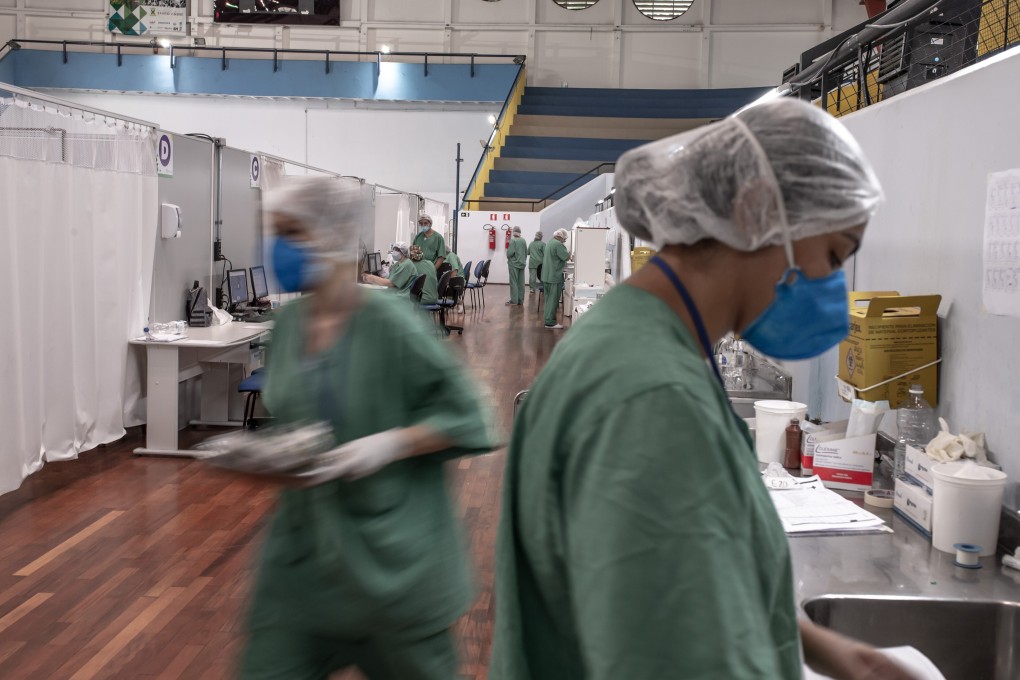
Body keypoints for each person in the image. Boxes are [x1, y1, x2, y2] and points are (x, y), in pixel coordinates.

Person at [491, 98, 916, 680]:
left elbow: (674, 579)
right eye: (835, 254)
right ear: (757, 209)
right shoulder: (650, 399)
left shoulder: (638, 340)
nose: (833, 287)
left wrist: (819, 648)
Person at [243, 176, 494, 680]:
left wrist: (387, 445)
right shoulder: (289, 326)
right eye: (274, 231)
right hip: (304, 562)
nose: (278, 247)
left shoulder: (388, 322)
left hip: (394, 562)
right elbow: (295, 419)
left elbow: (472, 417)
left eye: (291, 232)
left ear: (329, 235)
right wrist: (270, 455)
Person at [540, 228, 569, 330]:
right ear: (562, 237)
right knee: (553, 300)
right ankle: (550, 322)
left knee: (548, 300)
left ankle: (548, 319)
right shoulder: (558, 245)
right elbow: (566, 257)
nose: (564, 241)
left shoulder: (550, 242)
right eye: (564, 239)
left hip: (546, 276)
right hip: (554, 276)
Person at [506, 225, 527, 306]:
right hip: (522, 264)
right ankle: (520, 300)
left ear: (513, 232)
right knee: (521, 283)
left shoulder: (513, 241)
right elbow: (525, 252)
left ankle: (514, 301)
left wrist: (507, 255)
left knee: (513, 282)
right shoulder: (523, 240)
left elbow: (509, 253)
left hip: (514, 264)